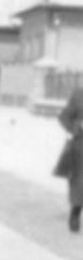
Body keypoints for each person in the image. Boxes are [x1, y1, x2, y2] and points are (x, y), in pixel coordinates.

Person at [57, 89, 83, 233]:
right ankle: (76, 212)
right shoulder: (79, 95)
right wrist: (76, 128)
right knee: (80, 183)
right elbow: (64, 117)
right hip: (81, 147)